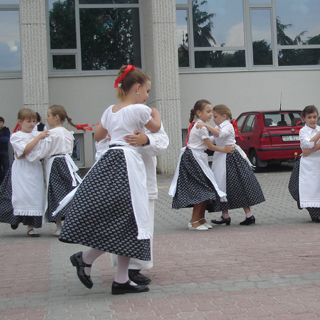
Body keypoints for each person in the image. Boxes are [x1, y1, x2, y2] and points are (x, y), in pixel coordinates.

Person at [58, 64, 161, 295]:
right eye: (146, 91)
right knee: (129, 217)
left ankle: (121, 279)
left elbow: (98, 135)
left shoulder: (110, 110)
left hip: (110, 159)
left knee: (126, 220)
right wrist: (155, 112)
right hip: (127, 162)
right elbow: (156, 126)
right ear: (136, 88)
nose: (147, 96)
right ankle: (86, 258)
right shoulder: (139, 110)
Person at [110, 125, 169, 285]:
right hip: (121, 176)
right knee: (123, 225)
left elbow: (162, 142)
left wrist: (146, 139)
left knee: (142, 224)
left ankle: (133, 268)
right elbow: (102, 140)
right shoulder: (115, 114)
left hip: (143, 178)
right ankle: (90, 258)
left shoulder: (148, 117)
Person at [169, 99, 234, 231]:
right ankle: (194, 221)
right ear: (199, 113)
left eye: (211, 112)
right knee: (202, 190)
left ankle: (200, 219)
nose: (210, 114)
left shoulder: (200, 125)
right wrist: (224, 150)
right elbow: (209, 146)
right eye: (208, 111)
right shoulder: (201, 126)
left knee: (207, 188)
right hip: (194, 158)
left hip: (197, 157)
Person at [197, 104, 265, 225]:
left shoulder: (227, 126)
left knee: (238, 185)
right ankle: (225, 215)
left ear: (224, 116)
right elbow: (215, 138)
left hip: (230, 158)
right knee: (221, 184)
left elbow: (220, 134)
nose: (213, 118)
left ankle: (249, 215)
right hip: (221, 157)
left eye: (216, 116)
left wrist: (206, 126)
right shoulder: (219, 126)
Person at [25, 105, 84, 236]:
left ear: (56, 117)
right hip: (68, 163)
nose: (46, 118)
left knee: (56, 193)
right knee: (71, 191)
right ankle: (72, 224)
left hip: (55, 164)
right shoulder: (67, 132)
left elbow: (42, 151)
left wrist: (28, 154)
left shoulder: (51, 133)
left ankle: (59, 227)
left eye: (48, 115)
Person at [0, 108, 49, 236]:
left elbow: (40, 150)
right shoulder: (16, 136)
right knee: (19, 196)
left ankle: (31, 227)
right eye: (29, 121)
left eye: (34, 121)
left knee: (34, 196)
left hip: (34, 168)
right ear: (20, 122)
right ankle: (14, 219)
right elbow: (24, 150)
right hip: (21, 169)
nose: (32, 124)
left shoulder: (38, 134)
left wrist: (33, 146)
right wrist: (36, 141)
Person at [288, 105, 320, 222]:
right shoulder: (303, 131)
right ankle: (313, 212)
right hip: (307, 165)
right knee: (305, 188)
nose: (312, 120)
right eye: (309, 117)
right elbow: (307, 145)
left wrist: (308, 151)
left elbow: (308, 149)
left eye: (315, 117)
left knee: (317, 188)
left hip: (318, 162)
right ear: (304, 118)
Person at [0, 116, 10, 185]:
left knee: (6, 167)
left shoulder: (6, 130)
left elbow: (6, 139)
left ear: (3, 123)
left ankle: (6, 183)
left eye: (0, 122)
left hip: (4, 151)